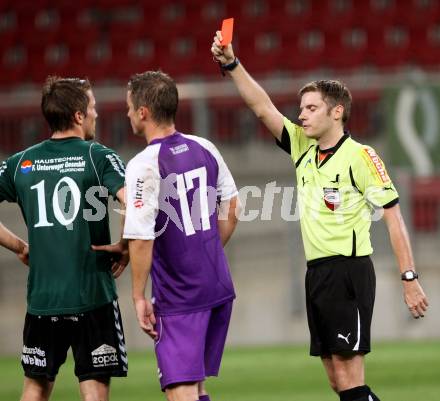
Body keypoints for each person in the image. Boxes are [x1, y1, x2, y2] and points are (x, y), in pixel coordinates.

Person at [211, 33, 429, 401]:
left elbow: (393, 217)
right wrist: (232, 64)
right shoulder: (302, 147)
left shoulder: (360, 156)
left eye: (311, 108)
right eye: (301, 108)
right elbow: (262, 107)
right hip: (317, 274)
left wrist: (409, 277)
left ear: (336, 111)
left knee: (351, 375)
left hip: (349, 271)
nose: (301, 115)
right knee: (336, 379)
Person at [0, 76, 129, 401]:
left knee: (35, 389)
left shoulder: (19, 164)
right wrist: (126, 245)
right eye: (93, 108)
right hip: (93, 297)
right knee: (94, 391)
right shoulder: (97, 157)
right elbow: (134, 199)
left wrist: (20, 247)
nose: (96, 114)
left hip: (43, 302)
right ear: (78, 115)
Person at [123, 71, 240, 401]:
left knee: (181, 392)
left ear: (144, 112)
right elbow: (232, 207)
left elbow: (142, 236)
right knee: (198, 386)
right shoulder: (204, 147)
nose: (127, 114)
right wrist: (207, 250)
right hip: (216, 285)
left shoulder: (144, 164)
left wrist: (137, 296)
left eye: (130, 107)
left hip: (179, 296)